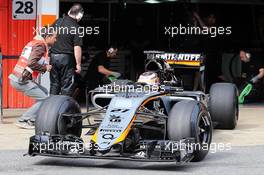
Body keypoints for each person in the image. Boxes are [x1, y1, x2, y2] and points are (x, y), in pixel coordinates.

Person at [8, 27, 56, 129]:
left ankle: (32, 119)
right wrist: (45, 67)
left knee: (44, 92)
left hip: (19, 77)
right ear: (48, 37)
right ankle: (23, 120)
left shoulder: (35, 42)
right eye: (55, 37)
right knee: (45, 98)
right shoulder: (40, 45)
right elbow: (31, 63)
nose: (56, 40)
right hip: (22, 80)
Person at [49, 3, 84, 96]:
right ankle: (64, 109)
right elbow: (77, 47)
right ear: (80, 14)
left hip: (53, 57)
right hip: (66, 59)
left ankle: (52, 107)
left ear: (69, 12)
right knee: (67, 85)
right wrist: (78, 64)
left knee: (54, 84)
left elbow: (48, 38)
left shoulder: (57, 22)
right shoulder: (77, 28)